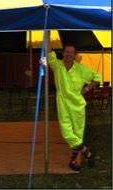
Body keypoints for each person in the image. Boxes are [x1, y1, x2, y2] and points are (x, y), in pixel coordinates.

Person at [47, 31, 102, 171]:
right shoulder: (56, 65)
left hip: (78, 106)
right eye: (67, 51)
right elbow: (48, 50)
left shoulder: (81, 69)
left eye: (71, 52)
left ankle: (74, 161)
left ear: (74, 55)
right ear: (63, 53)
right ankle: (87, 152)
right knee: (66, 133)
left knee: (77, 134)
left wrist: (86, 89)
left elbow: (98, 78)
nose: (69, 54)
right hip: (63, 104)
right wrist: (47, 31)